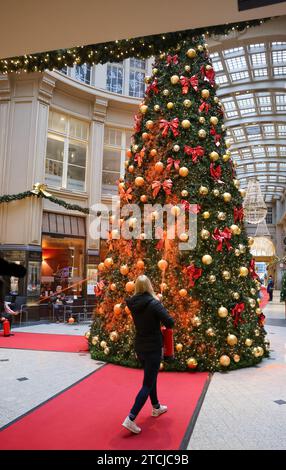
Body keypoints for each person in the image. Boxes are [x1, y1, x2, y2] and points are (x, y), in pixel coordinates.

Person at [122, 275, 174, 434]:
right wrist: (161, 307)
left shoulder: (133, 303)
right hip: (153, 346)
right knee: (147, 383)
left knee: (150, 377)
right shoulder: (153, 304)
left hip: (141, 346)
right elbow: (170, 322)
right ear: (149, 286)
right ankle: (130, 418)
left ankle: (156, 407)